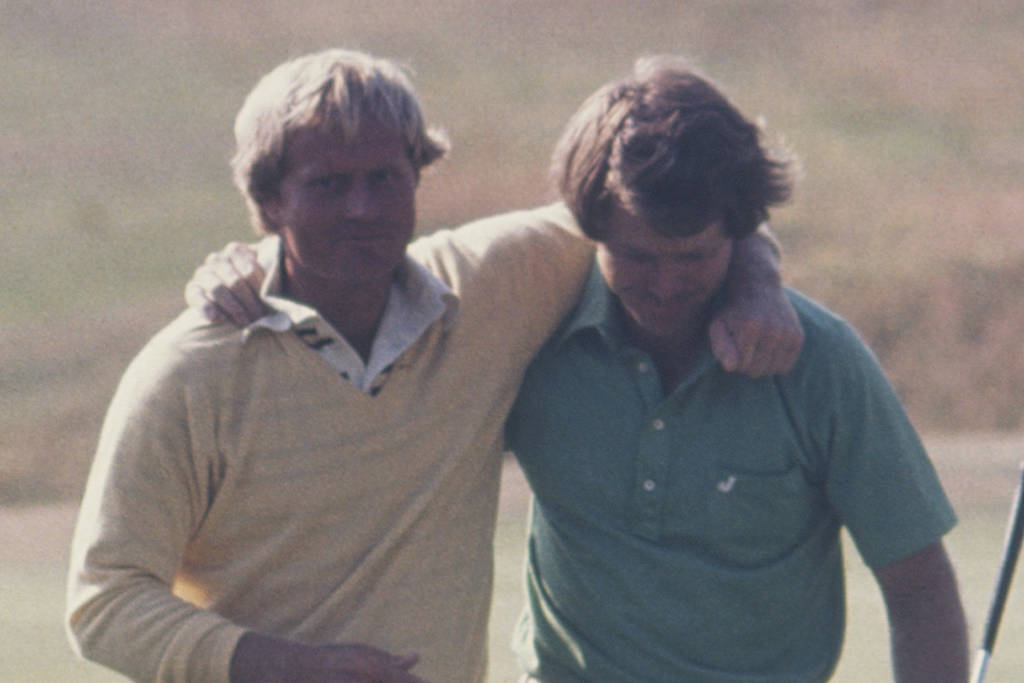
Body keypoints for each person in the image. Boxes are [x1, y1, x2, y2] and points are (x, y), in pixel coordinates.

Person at [65, 49, 803, 683]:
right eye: (328, 184)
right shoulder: (187, 373)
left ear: (419, 176)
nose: (362, 207)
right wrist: (285, 665)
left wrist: (756, 277)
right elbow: (102, 600)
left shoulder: (489, 287)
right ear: (266, 199)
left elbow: (685, 203)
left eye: (385, 176)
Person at [504, 56, 969, 682]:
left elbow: (920, 589)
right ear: (589, 229)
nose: (665, 286)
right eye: (636, 256)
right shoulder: (526, 327)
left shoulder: (824, 364)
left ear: (743, 231)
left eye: (694, 255)